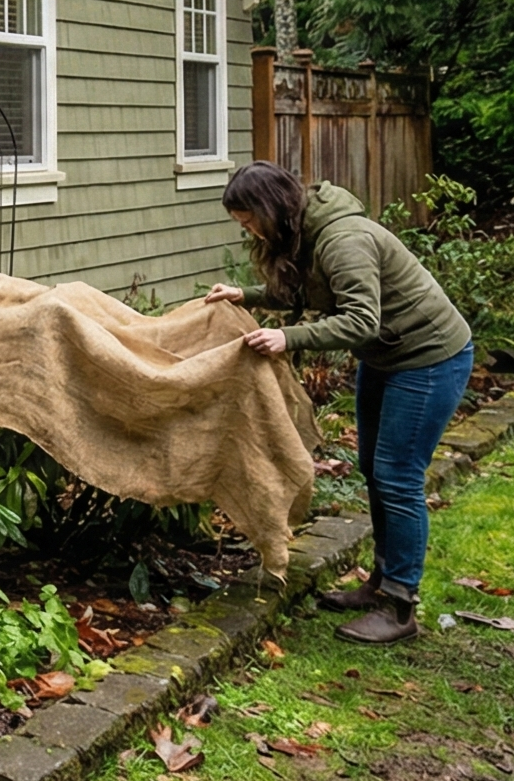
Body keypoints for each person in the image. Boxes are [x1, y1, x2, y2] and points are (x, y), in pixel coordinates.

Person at [202, 162, 473, 645]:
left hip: (429, 358)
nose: (247, 230)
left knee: (398, 476)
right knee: (373, 467)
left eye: (248, 220)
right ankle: (381, 584)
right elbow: (307, 291)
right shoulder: (306, 231)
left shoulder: (343, 239)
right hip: (388, 356)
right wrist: (247, 294)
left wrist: (288, 337)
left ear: (271, 208)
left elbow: (361, 319)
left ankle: (401, 605)